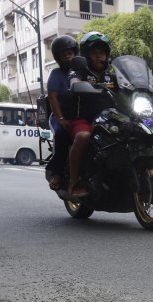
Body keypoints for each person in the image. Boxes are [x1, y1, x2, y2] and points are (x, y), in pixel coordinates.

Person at [67, 31, 118, 198]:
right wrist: (78, 84)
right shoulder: (79, 71)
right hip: (85, 118)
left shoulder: (112, 76)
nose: (99, 57)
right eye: (94, 53)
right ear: (86, 55)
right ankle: (74, 181)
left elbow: (129, 87)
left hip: (110, 118)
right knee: (83, 136)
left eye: (102, 53)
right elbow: (74, 81)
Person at [45, 34, 79, 190]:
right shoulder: (56, 74)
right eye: (63, 53)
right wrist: (61, 119)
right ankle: (57, 173)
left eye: (69, 52)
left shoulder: (83, 71)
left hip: (80, 115)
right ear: (58, 57)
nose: (67, 55)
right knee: (62, 134)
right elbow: (52, 98)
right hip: (60, 116)